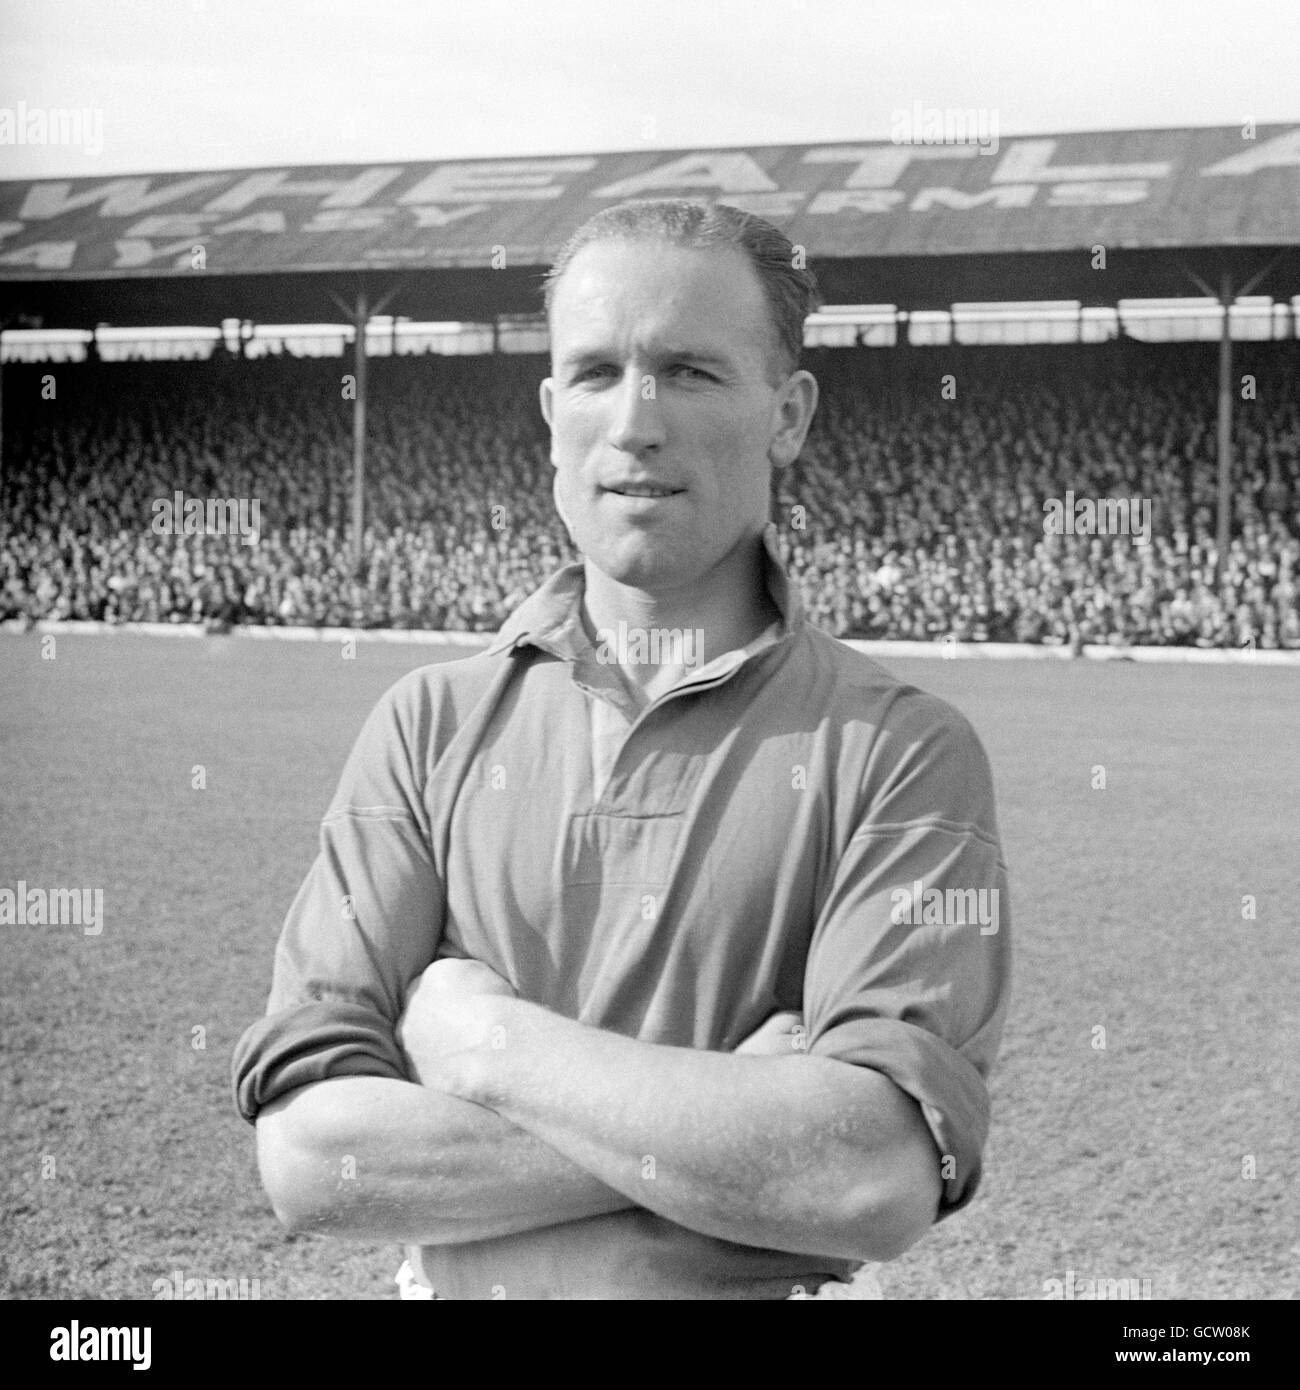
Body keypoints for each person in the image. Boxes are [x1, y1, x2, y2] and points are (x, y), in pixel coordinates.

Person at [231, 199, 1012, 1300]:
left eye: (689, 371)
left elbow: (865, 1171)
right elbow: (313, 1159)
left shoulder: (898, 751)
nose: (634, 422)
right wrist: (738, 1124)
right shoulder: (425, 727)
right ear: (552, 410)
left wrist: (486, 1045)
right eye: (596, 372)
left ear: (787, 414)